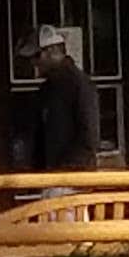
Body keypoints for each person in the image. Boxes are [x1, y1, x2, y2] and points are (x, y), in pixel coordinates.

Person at [16, 27, 106, 170]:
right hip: (52, 175)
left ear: (52, 51)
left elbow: (89, 135)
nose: (34, 62)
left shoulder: (79, 84)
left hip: (72, 176)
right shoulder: (47, 89)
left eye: (37, 56)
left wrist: (67, 170)